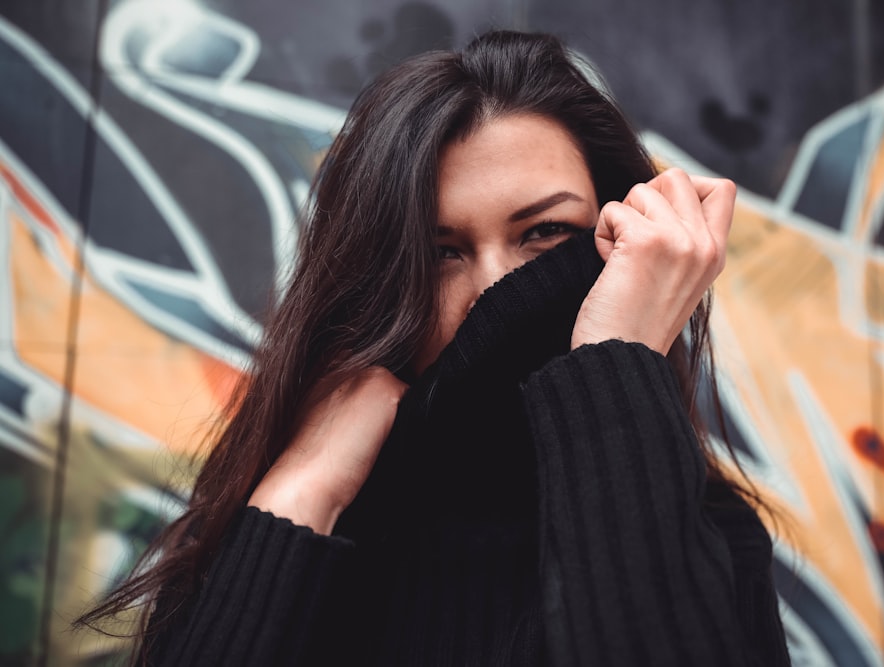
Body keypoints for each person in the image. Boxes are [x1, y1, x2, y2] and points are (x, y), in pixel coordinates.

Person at [79, 30, 790, 666]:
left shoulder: (708, 529)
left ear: (616, 240)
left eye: (544, 233)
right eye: (442, 251)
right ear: (383, 281)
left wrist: (615, 353)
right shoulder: (308, 518)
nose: (496, 287)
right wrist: (303, 493)